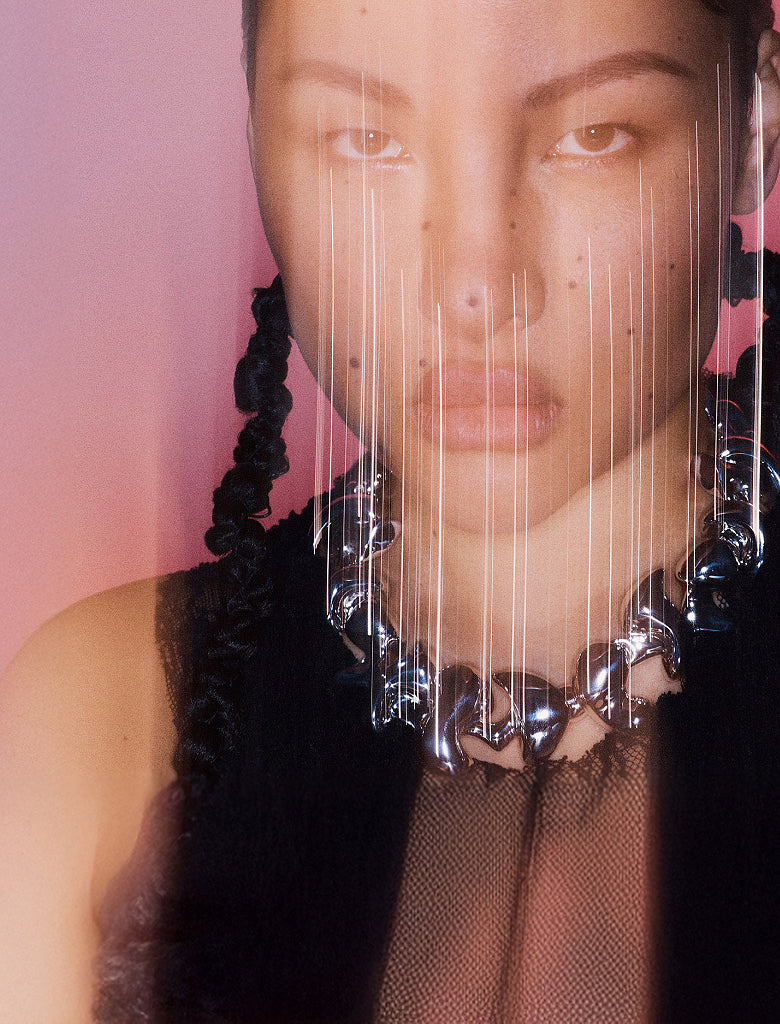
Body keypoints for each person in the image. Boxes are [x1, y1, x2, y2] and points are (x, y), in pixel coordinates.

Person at [2, 0, 780, 1020]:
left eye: (595, 135)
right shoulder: (103, 721)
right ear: (257, 134)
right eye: (365, 139)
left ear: (756, 125)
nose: (475, 285)